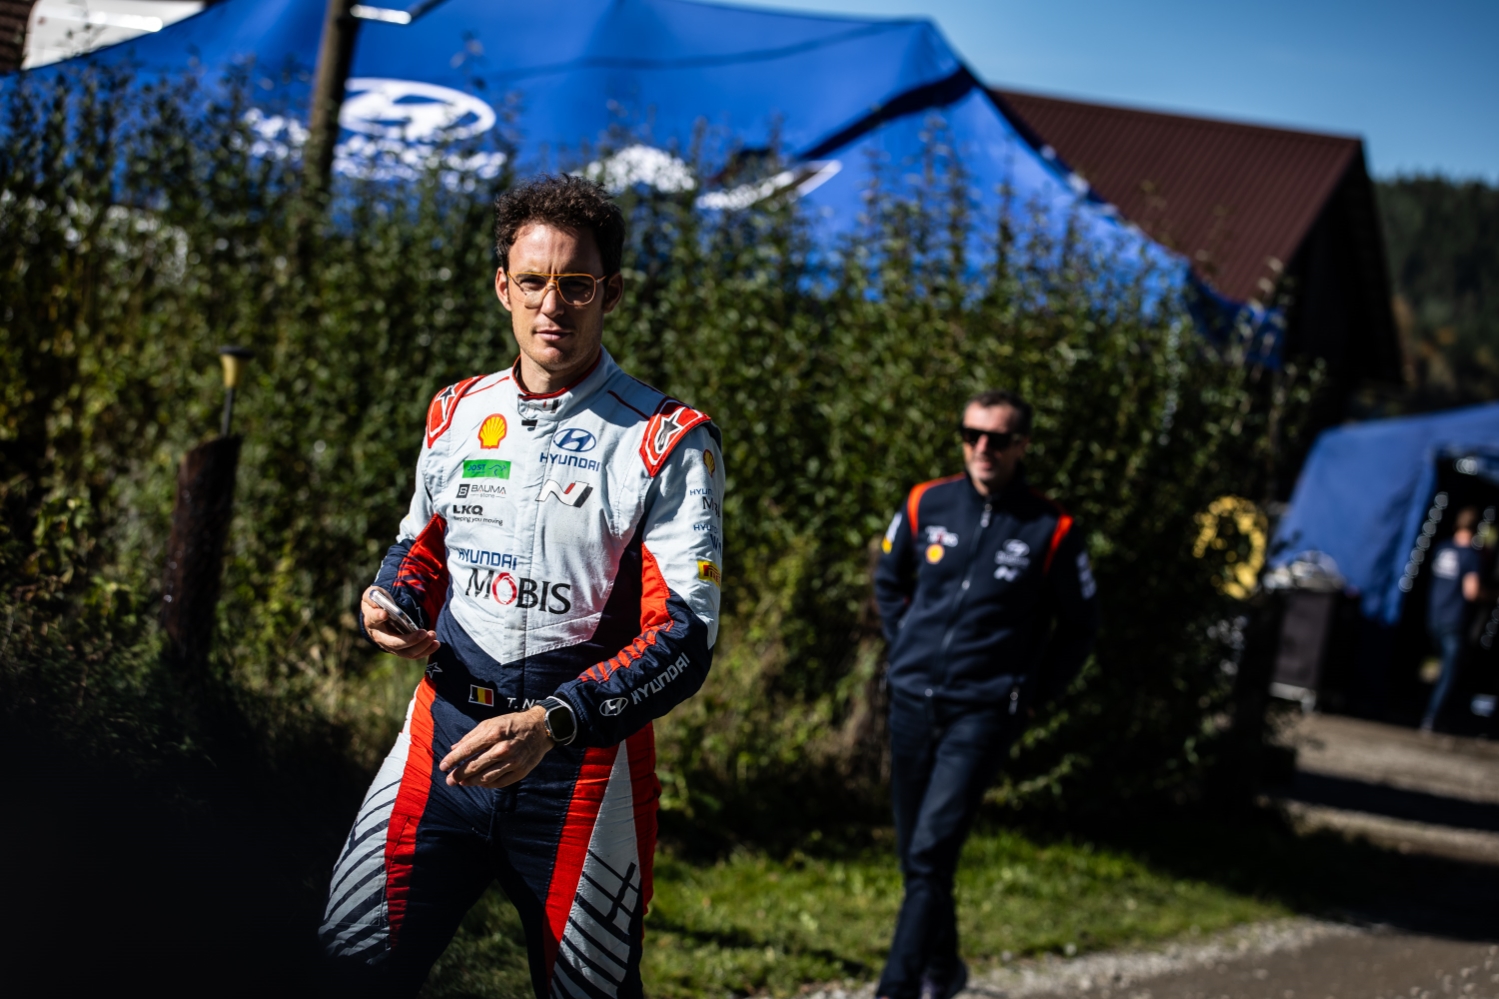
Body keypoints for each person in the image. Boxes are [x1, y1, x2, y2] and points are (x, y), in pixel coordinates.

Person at [319, 175, 725, 998]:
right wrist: (390, 599)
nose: (553, 304)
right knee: (343, 969)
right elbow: (420, 546)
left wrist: (555, 721)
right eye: (533, 281)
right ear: (503, 287)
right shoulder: (455, 411)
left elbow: (685, 636)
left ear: (611, 292)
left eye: (576, 283)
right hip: (440, 743)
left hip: (580, 770)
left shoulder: (667, 439)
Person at [872, 390, 1099, 999]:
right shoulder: (925, 502)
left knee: (931, 852)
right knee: (917, 855)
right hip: (912, 699)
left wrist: (1034, 694)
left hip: (982, 711)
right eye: (971, 434)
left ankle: (897, 987)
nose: (981, 448)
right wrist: (905, 646)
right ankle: (945, 968)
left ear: (1022, 445)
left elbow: (1081, 626)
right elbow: (889, 578)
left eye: (997, 439)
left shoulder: (1053, 528)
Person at [1422, 506, 1482, 732]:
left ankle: (1426, 709)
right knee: (1449, 672)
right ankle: (1432, 717)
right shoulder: (1471, 556)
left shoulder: (1442, 548)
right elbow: (1472, 592)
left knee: (1437, 665)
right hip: (1454, 620)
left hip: (1434, 616)